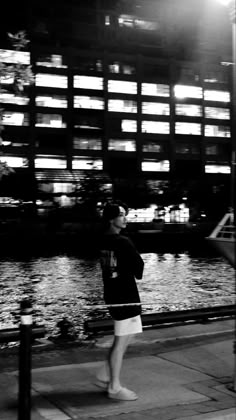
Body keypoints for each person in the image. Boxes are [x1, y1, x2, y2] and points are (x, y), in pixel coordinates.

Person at [96, 201, 144, 401]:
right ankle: (114, 387)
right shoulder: (123, 241)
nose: (125, 218)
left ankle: (104, 374)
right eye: (121, 215)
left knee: (129, 334)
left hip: (112, 293)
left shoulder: (102, 240)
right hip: (126, 295)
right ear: (111, 218)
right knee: (121, 340)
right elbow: (139, 268)